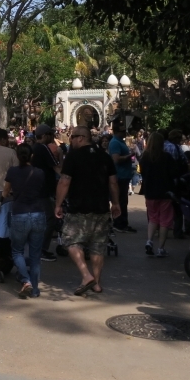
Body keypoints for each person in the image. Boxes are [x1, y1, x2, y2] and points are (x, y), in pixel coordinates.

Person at [55, 126, 120, 296]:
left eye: (73, 137)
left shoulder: (73, 156)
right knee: (98, 247)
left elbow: (64, 182)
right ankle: (96, 283)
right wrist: (116, 203)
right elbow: (113, 182)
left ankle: (86, 275)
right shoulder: (105, 157)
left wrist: (58, 204)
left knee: (70, 240)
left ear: (81, 138)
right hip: (101, 208)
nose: (71, 140)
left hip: (79, 208)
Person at [3, 143, 46, 297]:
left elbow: (6, 191)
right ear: (31, 156)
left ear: (16, 156)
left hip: (19, 213)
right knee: (35, 254)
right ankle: (34, 289)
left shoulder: (12, 172)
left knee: (17, 251)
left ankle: (25, 280)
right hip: (38, 213)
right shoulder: (39, 172)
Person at [139, 133, 174, 257]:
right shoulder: (167, 157)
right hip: (165, 192)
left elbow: (142, 173)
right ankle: (161, 248)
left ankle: (149, 241)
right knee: (165, 220)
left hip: (150, 192)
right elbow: (172, 174)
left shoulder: (145, 157)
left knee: (153, 218)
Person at [31, 124, 62, 262]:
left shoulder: (34, 148)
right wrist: (67, 178)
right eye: (50, 134)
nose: (53, 136)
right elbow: (56, 167)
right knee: (50, 219)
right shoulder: (43, 148)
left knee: (40, 220)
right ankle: (42, 249)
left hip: (36, 188)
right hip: (43, 190)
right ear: (44, 135)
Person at [108, 121, 136, 232]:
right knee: (120, 201)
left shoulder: (120, 141)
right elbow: (116, 159)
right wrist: (130, 155)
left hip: (123, 175)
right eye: (123, 131)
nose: (125, 133)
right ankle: (119, 223)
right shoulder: (115, 143)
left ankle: (122, 222)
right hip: (119, 175)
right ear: (116, 131)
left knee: (123, 200)